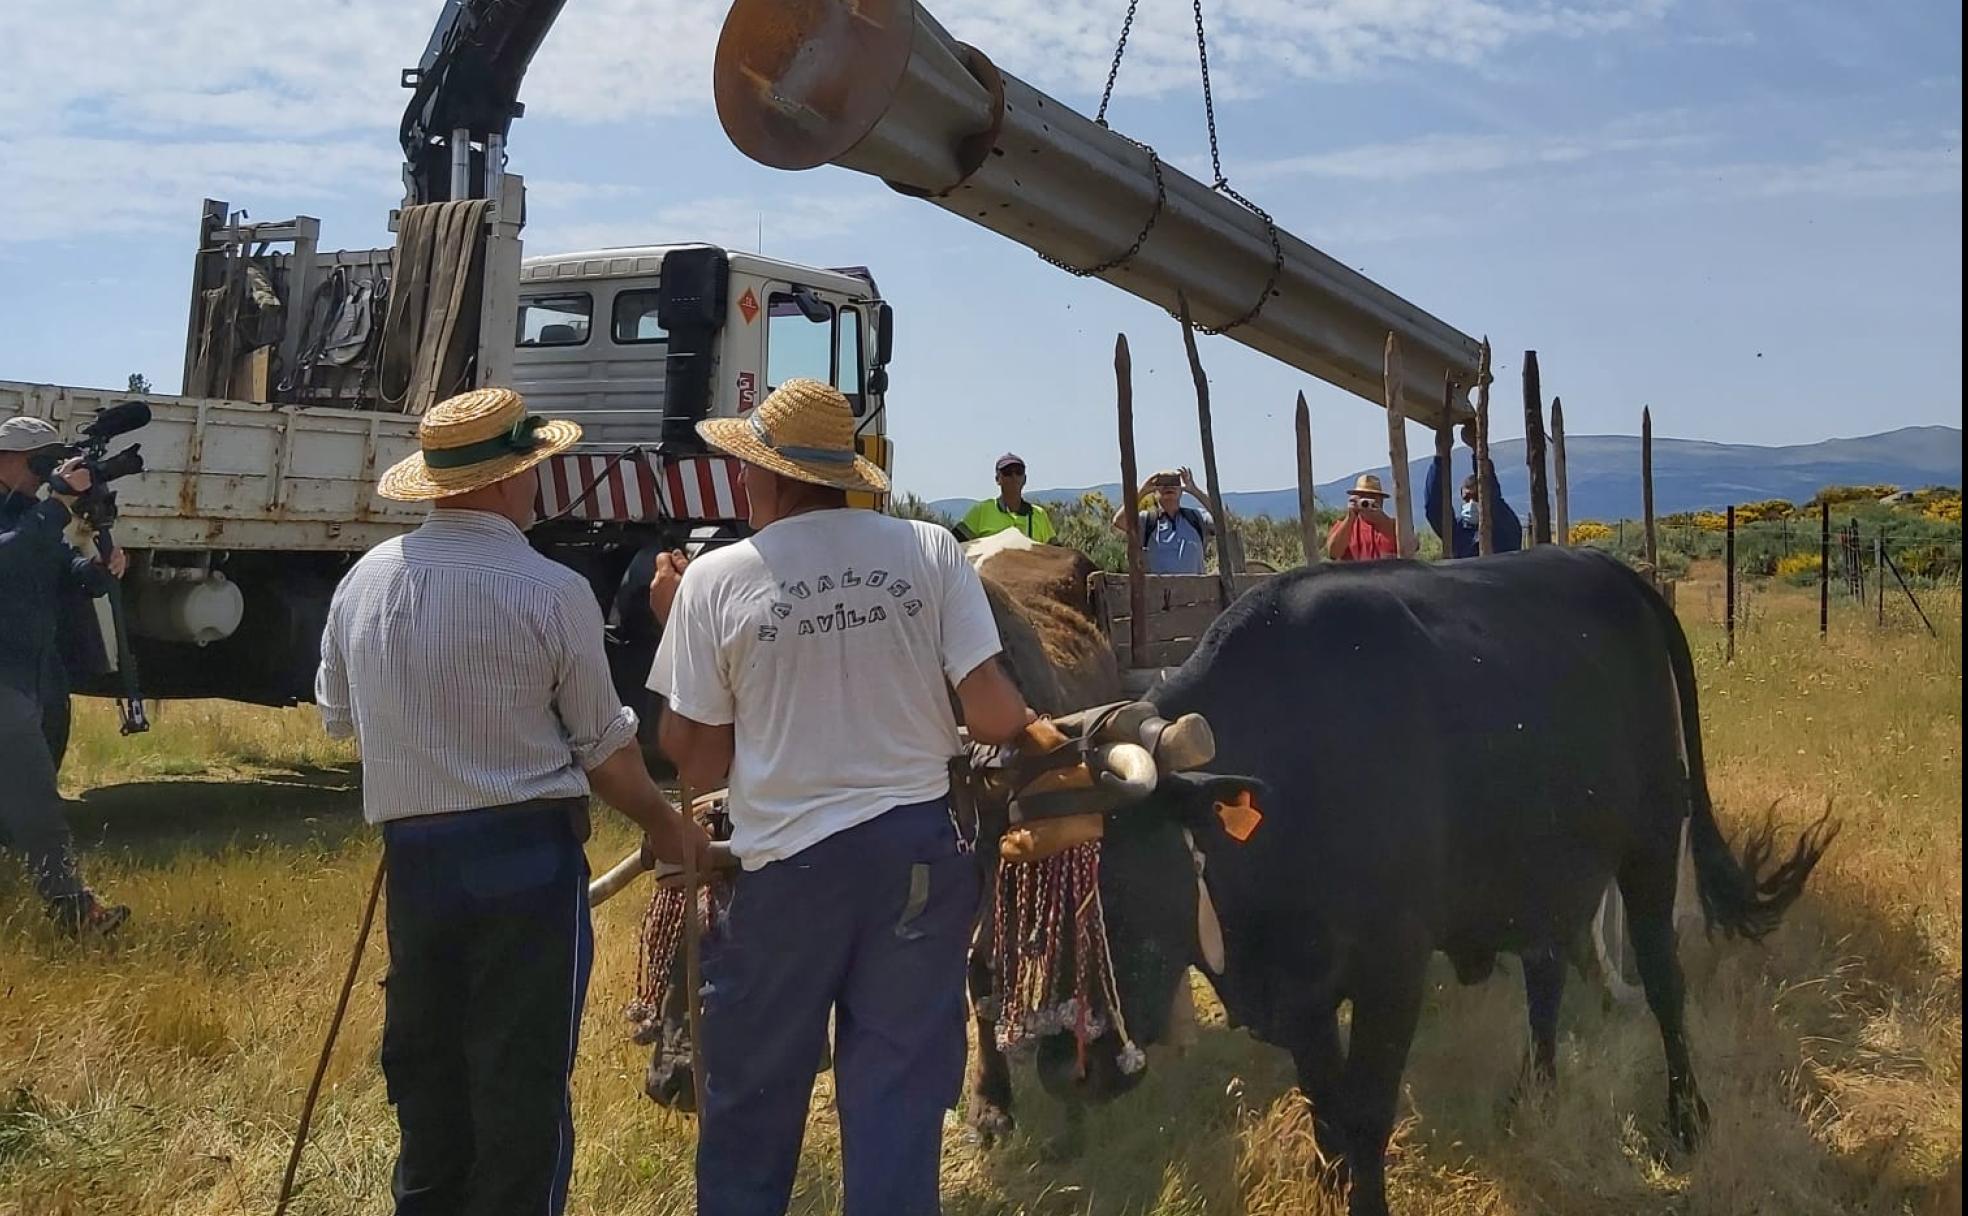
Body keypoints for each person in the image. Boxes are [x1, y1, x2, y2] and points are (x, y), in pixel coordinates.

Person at [315, 387, 710, 1216]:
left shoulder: (362, 583)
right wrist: (668, 827)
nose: (538, 482)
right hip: (525, 858)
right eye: (532, 468)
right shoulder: (550, 589)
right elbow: (606, 754)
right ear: (500, 481)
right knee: (520, 1081)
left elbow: (340, 718)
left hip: (416, 857)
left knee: (427, 1067)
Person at [646, 377, 1030, 1216]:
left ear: (774, 476)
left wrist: (678, 626)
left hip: (789, 875)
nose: (740, 481)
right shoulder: (930, 550)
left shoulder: (714, 581)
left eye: (746, 467)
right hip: (918, 865)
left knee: (752, 1108)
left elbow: (698, 760)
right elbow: (998, 715)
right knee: (897, 1105)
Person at [0, 416, 129, 935]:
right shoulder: (31, 519)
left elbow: (65, 570)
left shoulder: (30, 516)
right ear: (8, 459)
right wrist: (56, 505)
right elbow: (9, 557)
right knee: (36, 798)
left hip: (28, 677)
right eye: (39, 464)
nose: (43, 475)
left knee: (27, 794)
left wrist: (100, 569)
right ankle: (74, 909)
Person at [1424, 422, 1524, 557]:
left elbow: (1491, 492)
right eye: (1466, 498)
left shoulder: (1505, 526)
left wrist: (1477, 448)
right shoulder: (1458, 532)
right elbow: (1434, 507)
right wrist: (1440, 455)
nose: (1471, 503)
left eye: (1476, 497)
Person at [1111, 467, 1214, 574]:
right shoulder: (1147, 520)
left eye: (1174, 482)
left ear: (1181, 490)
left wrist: (1194, 490)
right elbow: (1119, 521)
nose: (1169, 486)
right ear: (1155, 491)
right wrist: (1142, 491)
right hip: (1156, 585)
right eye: (1163, 482)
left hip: (1195, 585)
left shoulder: (1197, 518)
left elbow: (1223, 522)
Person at [955, 453, 1055, 543]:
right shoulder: (981, 511)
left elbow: (1057, 552)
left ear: (1024, 479)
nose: (1014, 476)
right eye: (1007, 472)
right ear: (997, 479)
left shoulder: (1039, 515)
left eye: (1019, 472)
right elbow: (953, 543)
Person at [1324, 474, 1403, 562]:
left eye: (1372, 497)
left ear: (1381, 500)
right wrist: (1350, 517)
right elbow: (1333, 554)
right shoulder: (1343, 527)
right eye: (1362, 497)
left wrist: (1381, 518)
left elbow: (1410, 546)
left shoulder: (1396, 527)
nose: (1367, 502)